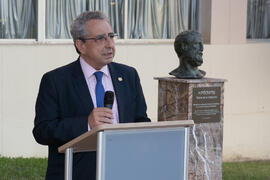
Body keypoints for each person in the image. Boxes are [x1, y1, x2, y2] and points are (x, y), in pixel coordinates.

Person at [32, 11, 150, 180]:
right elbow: (42, 131)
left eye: (111, 36)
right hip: (74, 173)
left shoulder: (129, 75)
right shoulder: (56, 80)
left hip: (122, 171)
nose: (109, 44)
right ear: (81, 45)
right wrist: (86, 124)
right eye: (100, 39)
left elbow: (141, 120)